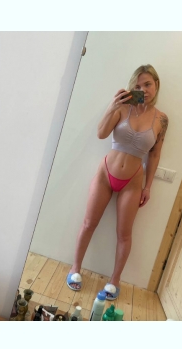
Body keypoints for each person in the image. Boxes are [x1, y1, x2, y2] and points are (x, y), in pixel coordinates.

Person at [66, 64, 169, 300]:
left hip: (133, 182)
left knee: (124, 234)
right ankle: (75, 268)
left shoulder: (162, 120)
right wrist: (112, 106)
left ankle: (114, 280)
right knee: (89, 223)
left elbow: (154, 154)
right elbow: (101, 133)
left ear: (156, 85)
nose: (143, 90)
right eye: (138, 85)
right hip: (106, 174)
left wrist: (148, 186)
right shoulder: (122, 108)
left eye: (147, 84)